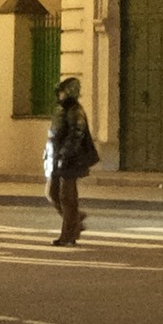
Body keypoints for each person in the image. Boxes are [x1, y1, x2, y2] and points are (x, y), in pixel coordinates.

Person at [45, 72, 97, 244]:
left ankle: (68, 235)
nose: (59, 95)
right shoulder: (63, 109)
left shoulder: (75, 111)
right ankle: (75, 219)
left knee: (67, 198)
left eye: (62, 92)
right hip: (58, 157)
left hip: (70, 160)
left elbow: (76, 135)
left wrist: (65, 155)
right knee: (52, 192)